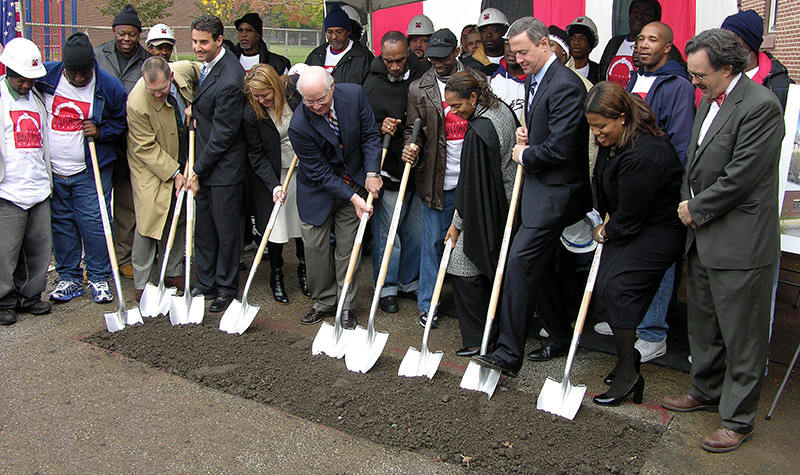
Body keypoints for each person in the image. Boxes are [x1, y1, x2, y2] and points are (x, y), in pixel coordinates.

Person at [663, 29, 784, 454]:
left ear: (729, 68)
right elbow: (693, 161)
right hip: (703, 238)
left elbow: (743, 176)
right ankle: (705, 388)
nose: (694, 83)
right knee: (704, 324)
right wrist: (686, 201)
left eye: (701, 76)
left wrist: (694, 209)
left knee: (742, 335)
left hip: (739, 244)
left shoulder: (760, 107)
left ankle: (737, 419)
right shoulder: (709, 100)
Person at [471, 17, 591, 377]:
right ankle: (558, 335)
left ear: (544, 45)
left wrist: (525, 154)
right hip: (538, 189)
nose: (518, 59)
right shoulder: (537, 79)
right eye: (514, 53)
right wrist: (528, 136)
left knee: (520, 263)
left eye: (523, 52)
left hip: (557, 194)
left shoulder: (566, 85)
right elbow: (545, 130)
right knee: (546, 268)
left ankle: (508, 353)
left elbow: (561, 148)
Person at [584, 81, 685, 406]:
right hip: (635, 223)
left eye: (601, 127)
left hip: (656, 231)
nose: (597, 134)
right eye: (592, 127)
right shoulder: (622, 141)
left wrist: (604, 232)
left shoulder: (642, 154)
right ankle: (627, 363)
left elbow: (630, 215)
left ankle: (629, 373)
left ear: (622, 118)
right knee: (609, 288)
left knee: (619, 290)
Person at [36, 32, 128, 304]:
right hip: (55, 170)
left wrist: (100, 130)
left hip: (90, 171)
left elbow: (122, 123)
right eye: (73, 73)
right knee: (62, 224)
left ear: (93, 66)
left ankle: (99, 277)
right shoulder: (47, 76)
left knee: (95, 223)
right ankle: (69, 277)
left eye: (84, 73)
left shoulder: (109, 87)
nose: (78, 79)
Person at [287, 66, 382, 329]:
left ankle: (346, 305)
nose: (316, 106)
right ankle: (325, 302)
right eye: (309, 101)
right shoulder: (299, 125)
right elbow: (319, 172)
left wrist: (372, 171)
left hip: (355, 180)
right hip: (318, 189)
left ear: (333, 86)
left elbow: (370, 136)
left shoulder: (355, 95)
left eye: (321, 99)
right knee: (316, 249)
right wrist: (352, 197)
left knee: (348, 248)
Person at [403, 29, 479, 328]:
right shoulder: (418, 88)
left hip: (470, 178)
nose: (439, 64)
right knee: (433, 243)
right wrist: (411, 146)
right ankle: (428, 305)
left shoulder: (476, 80)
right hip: (437, 180)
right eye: (433, 59)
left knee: (470, 243)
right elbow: (414, 129)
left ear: (456, 52)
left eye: (444, 58)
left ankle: (471, 305)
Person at [442, 71, 517, 356]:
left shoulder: (479, 132)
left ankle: (480, 338)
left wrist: (457, 224)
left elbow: (472, 186)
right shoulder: (500, 108)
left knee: (462, 265)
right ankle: (488, 334)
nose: (454, 112)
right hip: (507, 203)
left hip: (493, 208)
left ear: (474, 97)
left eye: (458, 105)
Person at [183, 15, 248, 314]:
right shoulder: (211, 67)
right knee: (205, 228)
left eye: (203, 42)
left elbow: (224, 134)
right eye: (195, 41)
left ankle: (225, 286)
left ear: (219, 41)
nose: (197, 47)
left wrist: (197, 169)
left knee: (225, 231)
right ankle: (205, 281)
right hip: (206, 163)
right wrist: (194, 108)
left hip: (223, 168)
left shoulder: (231, 78)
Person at [126, 57, 199, 301]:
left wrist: (197, 105)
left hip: (181, 149)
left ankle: (173, 272)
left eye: (162, 89)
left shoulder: (183, 71)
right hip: (149, 162)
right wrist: (174, 173)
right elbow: (145, 147)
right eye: (152, 90)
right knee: (149, 219)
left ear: (170, 77)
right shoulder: (136, 103)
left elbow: (203, 73)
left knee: (178, 218)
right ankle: (142, 281)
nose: (157, 94)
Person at [363, 31, 424, 314]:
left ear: (408, 53)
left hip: (416, 169)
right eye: (389, 61)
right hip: (387, 169)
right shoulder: (371, 83)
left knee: (414, 233)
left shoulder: (422, 75)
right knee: (389, 235)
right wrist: (379, 126)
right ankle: (386, 287)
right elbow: (362, 128)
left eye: (400, 60)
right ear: (381, 56)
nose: (395, 67)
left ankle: (407, 282)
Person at [242, 64, 309, 303]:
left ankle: (304, 271)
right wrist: (274, 185)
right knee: (277, 227)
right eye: (256, 96)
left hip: (302, 170)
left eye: (266, 95)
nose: (261, 100)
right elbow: (256, 155)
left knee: (303, 224)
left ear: (276, 88)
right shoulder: (252, 113)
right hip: (275, 175)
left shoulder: (293, 93)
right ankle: (276, 275)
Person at [94, 4, 150, 280]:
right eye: (121, 34)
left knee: (127, 203)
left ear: (138, 35)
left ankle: (124, 256)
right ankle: (97, 261)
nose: (126, 39)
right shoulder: (98, 56)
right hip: (102, 136)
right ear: (113, 32)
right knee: (98, 202)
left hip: (131, 137)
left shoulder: (146, 60)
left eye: (131, 34)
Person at [0, 38, 52, 325]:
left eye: (31, 79)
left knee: (38, 250)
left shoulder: (36, 100)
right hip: (8, 189)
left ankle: (30, 297)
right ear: (8, 70)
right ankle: (4, 300)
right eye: (22, 79)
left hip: (38, 187)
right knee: (5, 252)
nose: (27, 84)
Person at [598, 0, 684, 87]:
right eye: (636, 11)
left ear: (655, 20)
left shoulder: (665, 49)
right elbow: (600, 74)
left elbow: (681, 78)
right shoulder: (615, 43)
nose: (639, 15)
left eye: (647, 13)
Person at [720, 9, 792, 110]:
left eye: (729, 39)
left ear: (748, 44)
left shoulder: (779, 86)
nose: (722, 45)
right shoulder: (719, 76)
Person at [306, 4, 373, 85]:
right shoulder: (316, 55)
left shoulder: (363, 56)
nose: (334, 37)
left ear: (348, 31)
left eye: (339, 32)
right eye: (330, 32)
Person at [462, 8, 509, 76]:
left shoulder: (516, 60)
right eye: (484, 31)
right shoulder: (468, 64)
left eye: (494, 30)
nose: (488, 35)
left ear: (505, 31)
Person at [490, 40, 527, 122]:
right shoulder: (494, 80)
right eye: (507, 44)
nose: (511, 49)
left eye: (517, 44)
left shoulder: (535, 80)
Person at [566, 16, 601, 84]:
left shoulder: (599, 72)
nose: (576, 42)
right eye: (572, 38)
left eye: (582, 38)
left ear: (590, 45)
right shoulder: (560, 69)